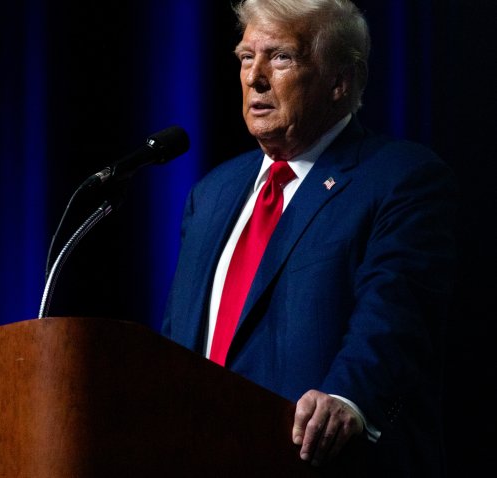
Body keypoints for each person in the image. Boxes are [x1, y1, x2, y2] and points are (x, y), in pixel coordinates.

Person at [160, 0, 457, 476]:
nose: (254, 77)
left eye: (280, 57)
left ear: (339, 80)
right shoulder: (212, 193)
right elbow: (176, 343)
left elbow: (396, 316)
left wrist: (349, 398)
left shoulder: (400, 179)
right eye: (245, 57)